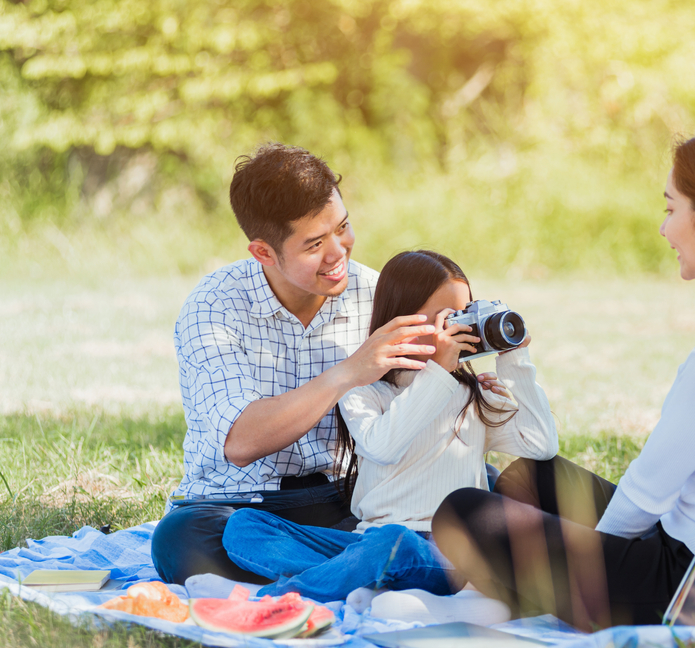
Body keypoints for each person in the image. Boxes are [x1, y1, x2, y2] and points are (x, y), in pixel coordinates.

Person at [431, 123, 695, 629]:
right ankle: (524, 589)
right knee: (529, 477)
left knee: (462, 512)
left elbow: (644, 498)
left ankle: (528, 597)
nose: (664, 230)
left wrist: (594, 565)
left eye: (671, 209)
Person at [150, 145, 504, 584]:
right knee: (183, 540)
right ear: (263, 252)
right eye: (315, 244)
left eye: (343, 227)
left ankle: (375, 561)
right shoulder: (215, 307)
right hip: (246, 504)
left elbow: (429, 394)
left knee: (481, 484)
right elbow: (240, 441)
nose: (338, 252)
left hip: (353, 496)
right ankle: (404, 562)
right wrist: (350, 371)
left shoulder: (378, 294)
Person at [219, 250, 559, 602]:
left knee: (392, 545)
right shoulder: (364, 389)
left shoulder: (470, 394)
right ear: (403, 319)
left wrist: (515, 358)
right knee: (245, 527)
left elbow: (540, 445)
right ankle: (361, 577)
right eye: (447, 319)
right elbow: (383, 446)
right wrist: (437, 373)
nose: (461, 329)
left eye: (465, 314)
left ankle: (279, 598)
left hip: (449, 551)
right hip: (369, 540)